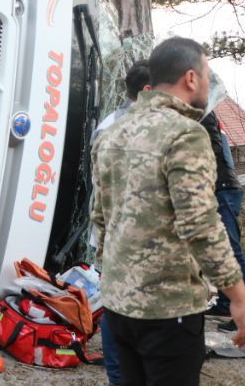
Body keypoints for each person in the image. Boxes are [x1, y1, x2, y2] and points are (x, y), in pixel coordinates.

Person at [91, 36, 245, 385]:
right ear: (191, 78)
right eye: (206, 71)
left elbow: (100, 216)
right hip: (168, 310)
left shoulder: (113, 132)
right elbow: (199, 223)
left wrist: (110, 280)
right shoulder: (186, 134)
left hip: (119, 306)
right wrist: (239, 297)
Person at [92, 60, 151, 386]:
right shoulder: (120, 128)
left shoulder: (113, 123)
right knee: (117, 305)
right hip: (120, 232)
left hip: (115, 231)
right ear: (146, 91)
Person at [202, 110, 245, 331]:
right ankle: (225, 303)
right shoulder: (206, 114)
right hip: (223, 188)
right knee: (220, 249)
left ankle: (242, 309)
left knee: (231, 250)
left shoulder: (203, 114)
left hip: (223, 188)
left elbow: (210, 152)